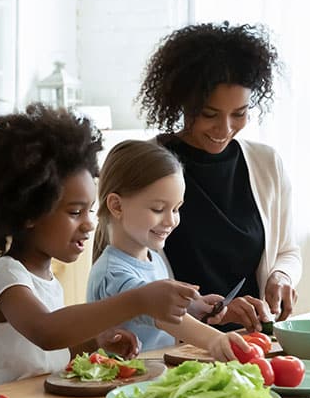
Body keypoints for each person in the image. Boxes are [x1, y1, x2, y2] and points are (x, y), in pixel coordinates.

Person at [0, 103, 202, 386]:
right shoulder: (5, 276)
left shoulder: (47, 280)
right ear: (29, 212)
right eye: (75, 212)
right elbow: (46, 333)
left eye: (89, 211)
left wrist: (95, 343)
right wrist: (140, 300)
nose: (89, 224)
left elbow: (46, 353)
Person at [137, 22, 302, 333]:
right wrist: (214, 310)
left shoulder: (267, 164)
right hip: (175, 345)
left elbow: (287, 250)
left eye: (239, 113)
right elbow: (124, 279)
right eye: (210, 114)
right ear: (182, 102)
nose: (224, 128)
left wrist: (281, 276)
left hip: (252, 340)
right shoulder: (145, 165)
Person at [87, 140, 248, 358]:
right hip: (125, 385)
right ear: (116, 206)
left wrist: (193, 307)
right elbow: (160, 314)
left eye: (176, 209)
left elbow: (155, 315)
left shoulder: (153, 258)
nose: (171, 220)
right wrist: (215, 339)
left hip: (152, 376)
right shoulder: (113, 273)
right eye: (158, 209)